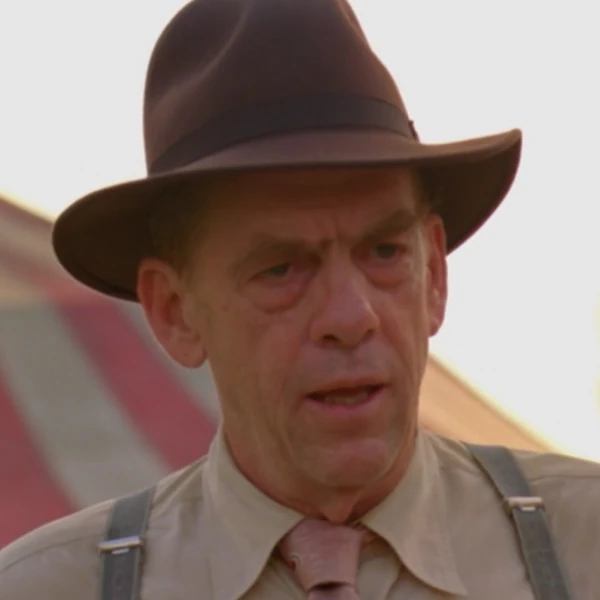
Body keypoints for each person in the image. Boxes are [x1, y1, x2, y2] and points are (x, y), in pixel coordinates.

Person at [1, 0, 599, 598]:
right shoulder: (51, 588)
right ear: (175, 311)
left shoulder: (585, 545)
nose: (351, 316)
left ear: (434, 275)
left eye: (384, 252)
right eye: (281, 269)